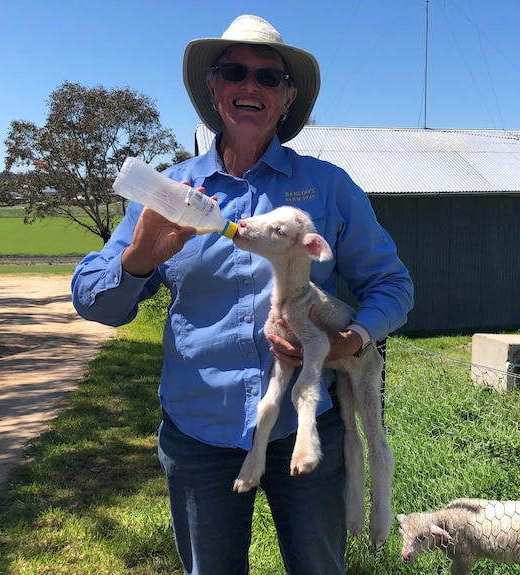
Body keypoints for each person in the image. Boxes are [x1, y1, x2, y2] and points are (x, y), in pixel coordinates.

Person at [71, 13, 414, 575]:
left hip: (305, 429)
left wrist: (353, 340)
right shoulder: (171, 191)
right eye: (234, 71)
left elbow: (392, 284)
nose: (250, 85)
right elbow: (92, 300)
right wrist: (137, 263)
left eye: (268, 77)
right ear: (213, 89)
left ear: (287, 97)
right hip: (198, 431)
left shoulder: (328, 187)